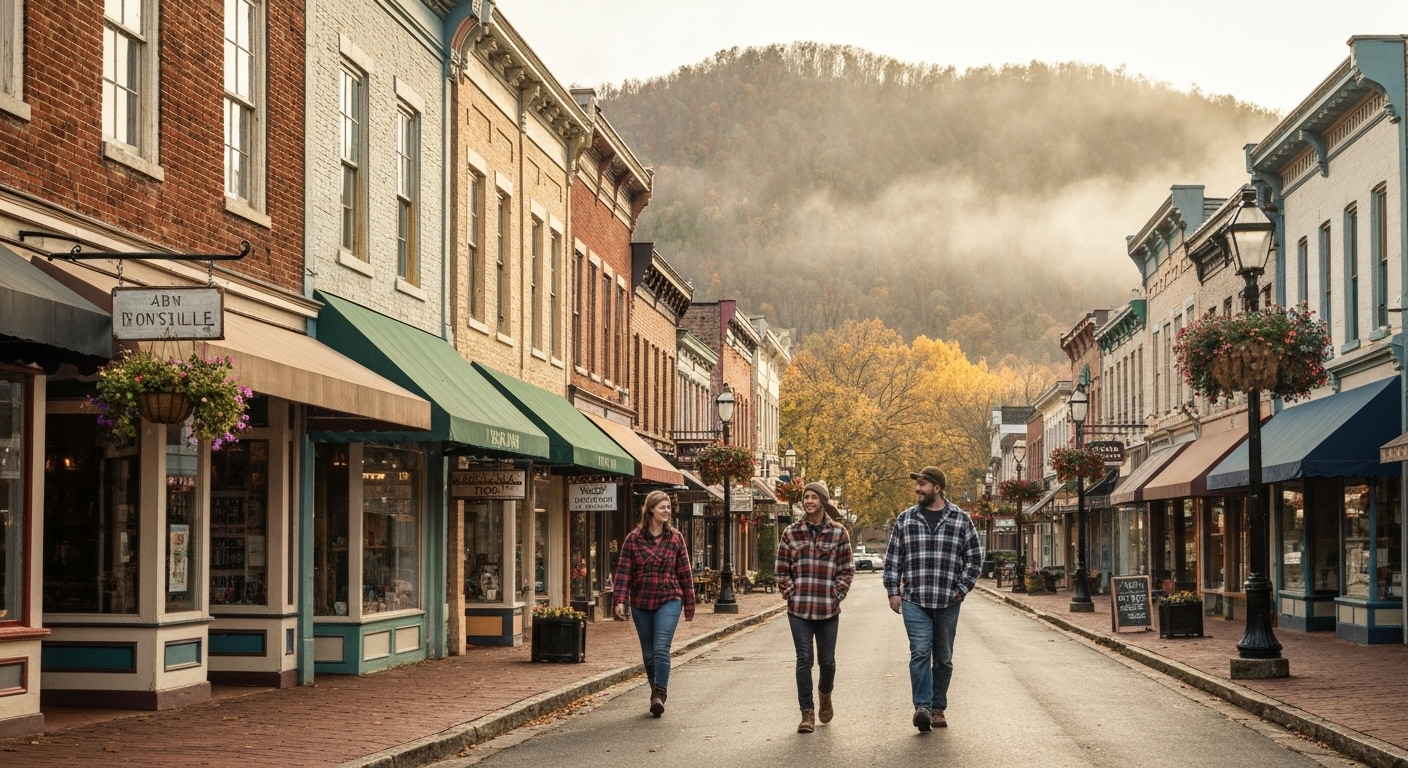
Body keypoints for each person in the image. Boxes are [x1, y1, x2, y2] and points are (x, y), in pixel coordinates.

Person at [882, 466, 982, 732]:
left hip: (948, 601)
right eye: (917, 484)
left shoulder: (961, 519)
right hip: (915, 599)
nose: (917, 488)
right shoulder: (906, 519)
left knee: (944, 658)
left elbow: (974, 559)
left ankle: (938, 708)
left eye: (923, 484)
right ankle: (923, 707)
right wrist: (893, 591)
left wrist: (960, 589)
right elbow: (893, 559)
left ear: (937, 488)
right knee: (920, 653)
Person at [776, 482, 855, 734]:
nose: (808, 501)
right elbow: (781, 569)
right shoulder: (791, 532)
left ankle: (825, 694)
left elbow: (846, 569)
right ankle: (806, 713)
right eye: (805, 497)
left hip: (828, 609)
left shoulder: (839, 532)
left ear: (822, 501)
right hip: (799, 609)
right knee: (804, 660)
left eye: (813, 497)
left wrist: (836, 594)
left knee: (828, 661)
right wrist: (791, 593)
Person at [613, 490, 696, 717]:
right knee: (648, 655)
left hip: (669, 598)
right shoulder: (633, 539)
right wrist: (620, 600)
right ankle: (654, 691)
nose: (667, 511)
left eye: (668, 507)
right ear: (650, 509)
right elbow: (623, 573)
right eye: (662, 507)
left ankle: (660, 693)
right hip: (641, 602)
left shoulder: (676, 538)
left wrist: (689, 603)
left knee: (661, 648)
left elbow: (685, 573)